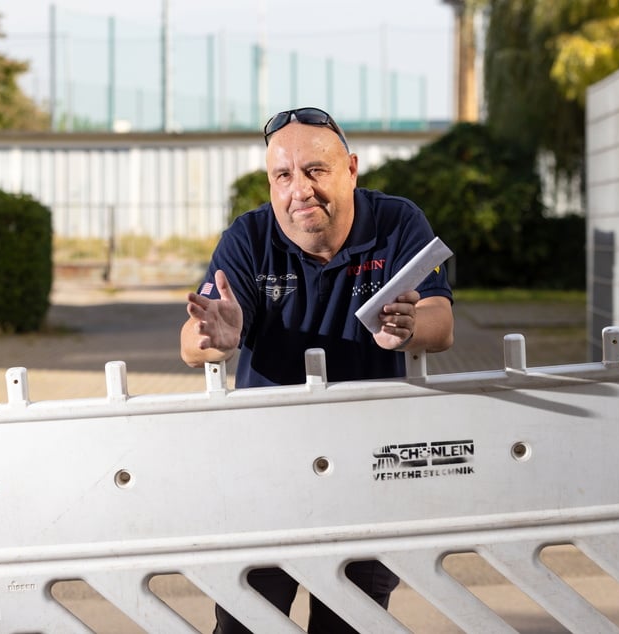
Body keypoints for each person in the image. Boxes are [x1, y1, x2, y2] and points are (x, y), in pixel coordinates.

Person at [180, 107, 454, 633]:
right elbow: (193, 343)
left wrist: (408, 325)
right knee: (246, 622)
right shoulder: (249, 238)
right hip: (267, 471)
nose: (299, 189)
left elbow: (441, 322)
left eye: (315, 170)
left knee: (348, 625)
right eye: (283, 175)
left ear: (351, 169)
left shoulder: (397, 223)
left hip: (369, 470)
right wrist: (216, 337)